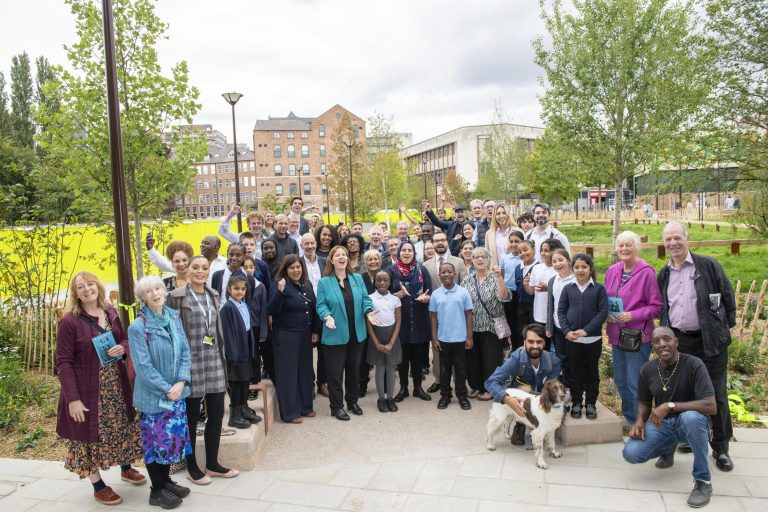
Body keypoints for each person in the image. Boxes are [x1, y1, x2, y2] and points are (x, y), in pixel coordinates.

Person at [55, 272, 145, 506]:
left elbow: (124, 340)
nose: (87, 289)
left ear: (98, 286)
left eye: (90, 284)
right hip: (86, 390)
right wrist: (72, 399)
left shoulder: (110, 313)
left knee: (121, 427)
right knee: (87, 437)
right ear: (75, 293)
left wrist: (121, 348)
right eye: (80, 287)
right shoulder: (69, 321)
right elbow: (63, 361)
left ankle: (126, 468)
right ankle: (98, 485)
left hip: (115, 385)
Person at [657, 221, 736, 472]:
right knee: (678, 394)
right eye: (668, 239)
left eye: (677, 238)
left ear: (687, 238)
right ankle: (687, 438)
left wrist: (721, 329)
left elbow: (728, 298)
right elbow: (664, 309)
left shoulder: (708, 265)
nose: (673, 243)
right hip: (679, 343)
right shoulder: (664, 273)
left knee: (715, 395)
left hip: (709, 342)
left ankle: (721, 448)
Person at [622, 327, 717, 508]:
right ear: (653, 346)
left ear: (676, 342)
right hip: (663, 424)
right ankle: (668, 447)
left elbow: (711, 406)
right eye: (656, 341)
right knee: (631, 454)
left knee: (690, 418)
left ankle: (703, 481)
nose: (662, 344)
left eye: (667, 339)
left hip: (692, 423)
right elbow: (643, 400)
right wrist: (639, 421)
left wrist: (670, 406)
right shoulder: (648, 369)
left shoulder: (694, 364)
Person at [166, 256, 239, 485]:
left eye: (204, 268)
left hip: (214, 360)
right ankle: (192, 466)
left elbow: (215, 330)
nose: (200, 271)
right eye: (195, 267)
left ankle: (212, 463)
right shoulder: (176, 297)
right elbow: (169, 330)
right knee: (190, 417)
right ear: (187, 270)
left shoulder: (213, 294)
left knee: (216, 413)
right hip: (190, 363)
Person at [129, 276, 193, 509]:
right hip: (154, 398)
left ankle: (165, 481)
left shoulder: (173, 318)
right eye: (148, 291)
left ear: (164, 291)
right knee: (155, 444)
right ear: (142, 298)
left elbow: (185, 351)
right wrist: (168, 389)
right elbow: (143, 368)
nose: (155, 293)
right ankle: (156, 491)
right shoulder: (138, 327)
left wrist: (181, 381)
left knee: (171, 442)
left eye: (157, 288)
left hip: (176, 393)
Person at [605, 231, 663, 429]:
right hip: (616, 334)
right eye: (621, 245)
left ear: (637, 247)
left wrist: (633, 315)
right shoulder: (613, 270)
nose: (624, 249)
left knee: (634, 382)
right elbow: (608, 299)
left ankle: (641, 421)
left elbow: (657, 307)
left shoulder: (647, 272)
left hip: (637, 336)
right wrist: (607, 313)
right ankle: (630, 418)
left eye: (628, 245)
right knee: (621, 381)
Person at [316, 246, 381, 420]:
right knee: (335, 374)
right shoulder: (324, 282)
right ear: (331, 260)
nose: (342, 257)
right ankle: (336, 407)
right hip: (335, 335)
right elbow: (320, 305)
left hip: (356, 334)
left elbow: (365, 299)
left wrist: (368, 312)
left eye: (344, 254)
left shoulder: (357, 278)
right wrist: (327, 316)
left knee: (354, 371)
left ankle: (352, 402)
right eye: (337, 255)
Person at [485, 323, 562, 445]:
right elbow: (490, 382)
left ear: (544, 343)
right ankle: (520, 423)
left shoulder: (554, 361)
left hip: (539, 399)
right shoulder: (516, 359)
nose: (535, 346)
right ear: (524, 342)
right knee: (523, 391)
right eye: (531, 341)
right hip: (519, 398)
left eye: (539, 342)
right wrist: (507, 399)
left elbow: (551, 392)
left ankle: (538, 424)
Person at [268, 255, 322, 423]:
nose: (296, 270)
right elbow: (271, 310)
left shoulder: (306, 284)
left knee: (304, 371)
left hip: (305, 334)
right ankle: (290, 412)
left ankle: (306, 407)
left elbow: (313, 307)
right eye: (291, 268)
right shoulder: (279, 284)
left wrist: (315, 329)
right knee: (288, 374)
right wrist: (280, 293)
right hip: (286, 336)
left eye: (298, 267)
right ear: (285, 270)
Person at [558, 253, 608, 420]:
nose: (580, 270)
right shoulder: (568, 288)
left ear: (590, 269)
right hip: (573, 339)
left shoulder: (598, 289)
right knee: (575, 372)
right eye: (577, 267)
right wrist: (566, 331)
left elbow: (602, 313)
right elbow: (561, 312)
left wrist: (586, 330)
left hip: (592, 339)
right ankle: (578, 402)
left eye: (584, 267)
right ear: (573, 269)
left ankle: (591, 403)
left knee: (592, 372)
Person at [461, 247, 510, 400]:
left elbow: (504, 298)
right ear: (472, 261)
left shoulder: (495, 277)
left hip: (491, 327)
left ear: (489, 260)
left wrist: (500, 278)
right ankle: (476, 386)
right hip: (472, 326)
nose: (480, 259)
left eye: (483, 257)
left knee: (491, 359)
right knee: (473, 359)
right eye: (476, 257)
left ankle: (490, 388)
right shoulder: (467, 280)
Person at [422, 232, 468, 393]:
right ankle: (439, 380)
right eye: (436, 241)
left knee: (457, 350)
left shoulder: (458, 262)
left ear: (447, 242)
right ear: (432, 244)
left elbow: (465, 285)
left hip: (456, 313)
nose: (440, 243)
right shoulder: (425, 265)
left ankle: (458, 382)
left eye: (442, 240)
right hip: (435, 312)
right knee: (437, 349)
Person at [389, 240, 434, 403]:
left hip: (420, 319)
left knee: (417, 356)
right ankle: (403, 388)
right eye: (404, 250)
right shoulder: (391, 271)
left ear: (414, 253)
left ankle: (417, 387)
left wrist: (427, 298)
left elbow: (431, 293)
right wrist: (396, 296)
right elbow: (383, 296)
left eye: (410, 250)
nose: (407, 253)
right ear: (399, 252)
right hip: (401, 321)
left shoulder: (422, 270)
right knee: (402, 357)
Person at [219, 275, 265, 428]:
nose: (240, 292)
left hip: (246, 347)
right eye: (236, 289)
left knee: (245, 380)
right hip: (236, 351)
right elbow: (228, 333)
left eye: (243, 289)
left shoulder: (243, 304)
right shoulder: (227, 308)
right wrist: (232, 355)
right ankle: (234, 414)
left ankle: (243, 407)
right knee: (237, 382)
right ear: (229, 289)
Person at [430, 262, 474, 410]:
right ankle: (445, 395)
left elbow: (468, 315)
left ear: (455, 274)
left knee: (461, 369)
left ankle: (462, 395)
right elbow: (434, 318)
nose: (447, 274)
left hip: (460, 338)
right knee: (444, 369)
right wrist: (434, 338)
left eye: (450, 272)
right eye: (444, 272)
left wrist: (469, 337)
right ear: (439, 275)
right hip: (443, 339)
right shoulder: (436, 294)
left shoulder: (463, 292)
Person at [366, 270, 403, 413]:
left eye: (385, 280)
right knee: (380, 368)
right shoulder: (369, 298)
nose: (382, 283)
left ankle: (390, 398)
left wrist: (391, 343)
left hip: (392, 336)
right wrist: (376, 343)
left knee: (391, 368)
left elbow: (398, 321)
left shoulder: (395, 299)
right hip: (376, 335)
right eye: (379, 280)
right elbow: (368, 322)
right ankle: (381, 398)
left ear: (390, 282)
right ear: (374, 282)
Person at [300, 233, 328, 398]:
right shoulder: (298, 263)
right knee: (306, 350)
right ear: (301, 245)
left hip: (323, 310)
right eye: (306, 244)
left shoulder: (325, 262)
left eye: (312, 243)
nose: (309, 246)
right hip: (306, 311)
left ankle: (322, 384)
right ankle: (309, 383)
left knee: (324, 350)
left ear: (316, 244)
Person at [545, 249, 576, 389]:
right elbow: (550, 304)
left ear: (568, 261)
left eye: (561, 260)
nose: (557, 264)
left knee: (575, 358)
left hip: (574, 327)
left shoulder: (577, 279)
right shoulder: (553, 281)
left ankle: (578, 387)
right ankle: (568, 386)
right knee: (562, 358)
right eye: (554, 261)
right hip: (558, 326)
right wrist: (549, 326)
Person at [147, 234, 227, 287]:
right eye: (202, 243)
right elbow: (166, 265)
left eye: (206, 243)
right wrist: (151, 249)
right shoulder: (194, 261)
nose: (202, 245)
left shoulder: (226, 263)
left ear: (216, 247)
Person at [527, 238, 563, 350]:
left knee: (559, 348)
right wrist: (526, 285)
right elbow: (531, 291)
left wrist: (549, 288)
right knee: (542, 347)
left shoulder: (560, 269)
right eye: (542, 250)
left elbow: (564, 291)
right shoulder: (537, 268)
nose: (543, 253)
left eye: (547, 250)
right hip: (539, 314)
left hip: (556, 316)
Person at [500, 231, 524, 351]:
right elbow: (502, 275)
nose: (514, 244)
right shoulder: (505, 258)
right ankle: (514, 349)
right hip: (509, 294)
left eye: (517, 241)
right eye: (512, 241)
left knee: (520, 322)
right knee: (511, 322)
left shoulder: (524, 258)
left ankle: (522, 347)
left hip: (521, 293)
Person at [513, 240, 538, 350]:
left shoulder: (539, 267)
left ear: (533, 250)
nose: (522, 253)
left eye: (525, 250)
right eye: (519, 252)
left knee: (534, 331)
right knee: (521, 331)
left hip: (535, 305)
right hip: (521, 305)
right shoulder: (518, 268)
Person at [484, 203, 515, 269]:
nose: (501, 216)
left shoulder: (517, 231)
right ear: (494, 216)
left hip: (514, 272)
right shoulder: (489, 234)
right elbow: (486, 255)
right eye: (498, 214)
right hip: (495, 272)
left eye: (504, 213)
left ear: (508, 214)